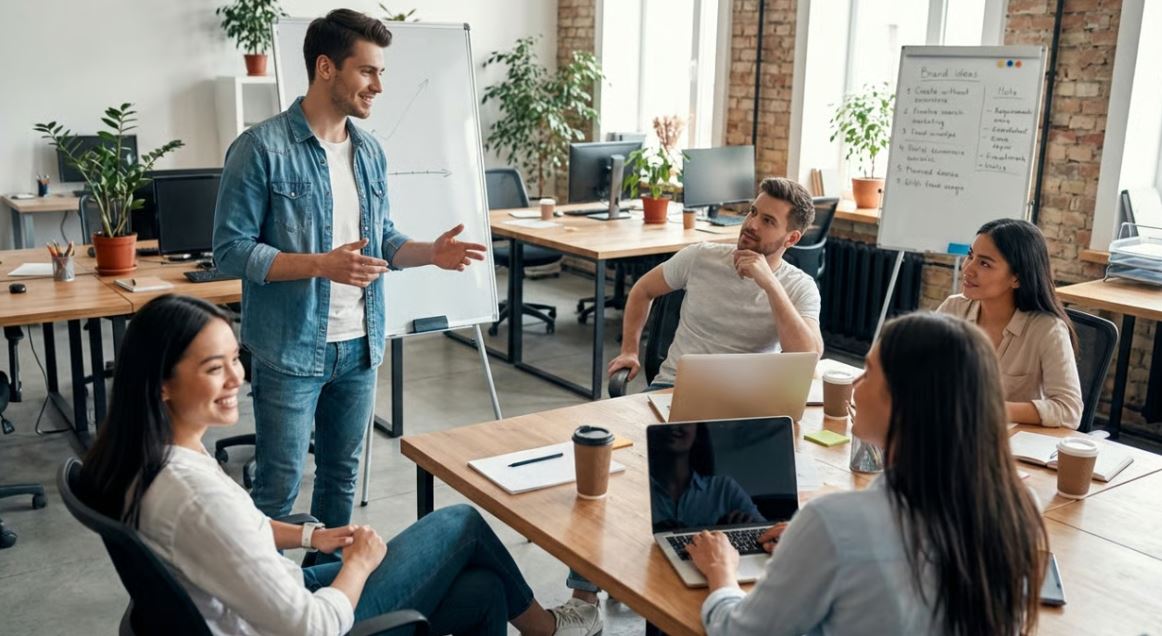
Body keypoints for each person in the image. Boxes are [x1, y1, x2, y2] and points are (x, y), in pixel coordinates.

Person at [80, 294, 602, 636]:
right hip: (298, 620)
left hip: (262, 596)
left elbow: (235, 533)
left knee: (484, 590)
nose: (237, 377)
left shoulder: (152, 457)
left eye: (236, 358)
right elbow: (310, 627)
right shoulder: (194, 495)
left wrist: (311, 539)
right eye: (215, 368)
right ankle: (547, 629)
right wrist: (356, 566)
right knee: (462, 524)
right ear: (162, 384)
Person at [212, 9, 488, 530]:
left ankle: (332, 588)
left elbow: (381, 240)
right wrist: (322, 265)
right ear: (325, 68)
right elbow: (230, 251)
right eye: (368, 71)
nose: (379, 85)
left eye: (380, 72)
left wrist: (431, 252)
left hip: (360, 347)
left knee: (341, 476)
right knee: (278, 484)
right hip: (290, 350)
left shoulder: (370, 152)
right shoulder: (260, 149)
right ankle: (264, 602)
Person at [685, 312, 1048, 636]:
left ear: (903, 400)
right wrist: (810, 545)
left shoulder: (833, 523)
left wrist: (722, 574)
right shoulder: (1019, 508)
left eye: (870, 371)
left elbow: (739, 631)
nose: (856, 386)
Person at [607, 177, 823, 391]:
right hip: (675, 388)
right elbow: (642, 289)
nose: (751, 224)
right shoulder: (699, 257)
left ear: (791, 239)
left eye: (768, 221)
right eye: (753, 212)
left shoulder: (801, 287)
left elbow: (808, 355)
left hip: (747, 400)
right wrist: (629, 350)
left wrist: (770, 284)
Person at [937, 219, 1083, 428]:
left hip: (1010, 447)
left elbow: (1069, 410)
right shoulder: (954, 309)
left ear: (1017, 278)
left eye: (985, 263)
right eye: (971, 256)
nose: (968, 269)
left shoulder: (1047, 329)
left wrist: (990, 408)